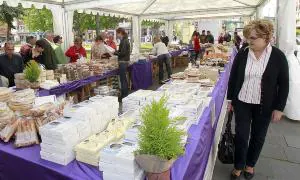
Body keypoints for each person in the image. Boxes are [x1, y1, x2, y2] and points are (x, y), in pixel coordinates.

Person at [227, 20, 289, 180]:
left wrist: (279, 108)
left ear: (266, 37)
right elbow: (233, 77)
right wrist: (230, 100)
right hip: (242, 102)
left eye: (253, 38)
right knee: (241, 135)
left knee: (258, 136)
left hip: (265, 106)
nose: (249, 41)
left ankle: (250, 165)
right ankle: (238, 165)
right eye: (248, 37)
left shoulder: (278, 56)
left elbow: (284, 84)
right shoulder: (243, 53)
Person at [114, 28, 130, 99]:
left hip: (123, 62)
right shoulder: (125, 40)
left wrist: (115, 52)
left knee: (123, 79)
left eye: (117, 33)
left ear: (120, 33)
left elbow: (123, 53)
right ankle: (125, 94)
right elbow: (123, 51)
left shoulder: (124, 41)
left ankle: (124, 95)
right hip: (124, 61)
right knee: (124, 79)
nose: (117, 35)